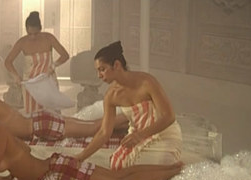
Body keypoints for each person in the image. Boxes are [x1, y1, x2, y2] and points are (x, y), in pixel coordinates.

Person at [0, 95, 180, 180]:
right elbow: (23, 153)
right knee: (117, 178)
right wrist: (10, 176)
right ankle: (174, 170)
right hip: (55, 169)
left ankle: (174, 171)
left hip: (58, 176)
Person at [75, 41, 183, 170]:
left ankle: (172, 168)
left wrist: (140, 135)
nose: (99, 76)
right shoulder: (111, 96)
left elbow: (169, 117)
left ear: (116, 65)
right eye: (97, 71)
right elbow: (104, 132)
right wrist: (80, 157)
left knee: (146, 167)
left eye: (102, 69)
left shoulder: (147, 82)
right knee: (117, 165)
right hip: (137, 138)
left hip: (163, 135)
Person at [0, 75, 126, 142]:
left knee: (93, 128)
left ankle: (130, 114)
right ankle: (127, 120)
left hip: (42, 125)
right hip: (40, 120)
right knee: (91, 125)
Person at [4, 11, 70, 113]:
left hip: (48, 81)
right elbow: (8, 62)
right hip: (30, 84)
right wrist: (16, 76)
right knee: (33, 114)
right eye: (30, 34)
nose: (33, 37)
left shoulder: (49, 38)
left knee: (52, 113)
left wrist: (53, 65)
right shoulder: (22, 42)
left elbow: (65, 55)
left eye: (36, 34)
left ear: (40, 29)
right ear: (26, 30)